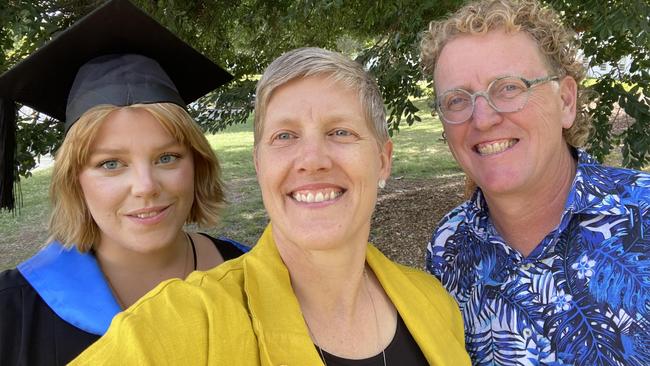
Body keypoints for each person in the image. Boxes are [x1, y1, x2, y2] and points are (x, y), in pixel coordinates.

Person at [71, 47, 471, 365]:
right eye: (284, 136)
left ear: (383, 159)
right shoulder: (185, 322)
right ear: (259, 164)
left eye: (340, 131)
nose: (312, 159)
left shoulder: (434, 304)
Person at [0, 1, 248, 364]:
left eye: (167, 157)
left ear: (198, 164)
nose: (146, 186)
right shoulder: (14, 313)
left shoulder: (249, 272)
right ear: (75, 180)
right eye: (111, 163)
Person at [420, 0, 650, 365]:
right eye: (457, 100)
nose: (482, 119)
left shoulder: (644, 214)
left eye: (509, 88)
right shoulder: (448, 249)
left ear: (566, 100)